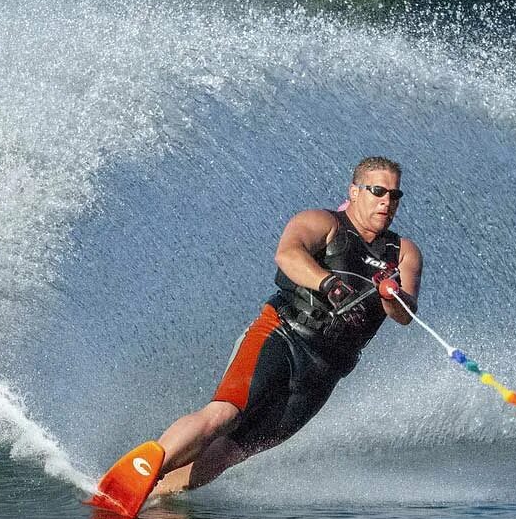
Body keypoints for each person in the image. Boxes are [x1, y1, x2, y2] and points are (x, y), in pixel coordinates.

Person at [140, 155, 423, 501]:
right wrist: (328, 283)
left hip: (326, 369)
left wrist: (390, 295)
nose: (386, 201)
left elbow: (406, 313)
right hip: (282, 334)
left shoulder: (403, 252)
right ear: (354, 191)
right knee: (223, 415)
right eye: (378, 191)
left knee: (232, 451)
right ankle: (144, 471)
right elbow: (288, 255)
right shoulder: (322, 222)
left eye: (395, 195)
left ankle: (151, 497)